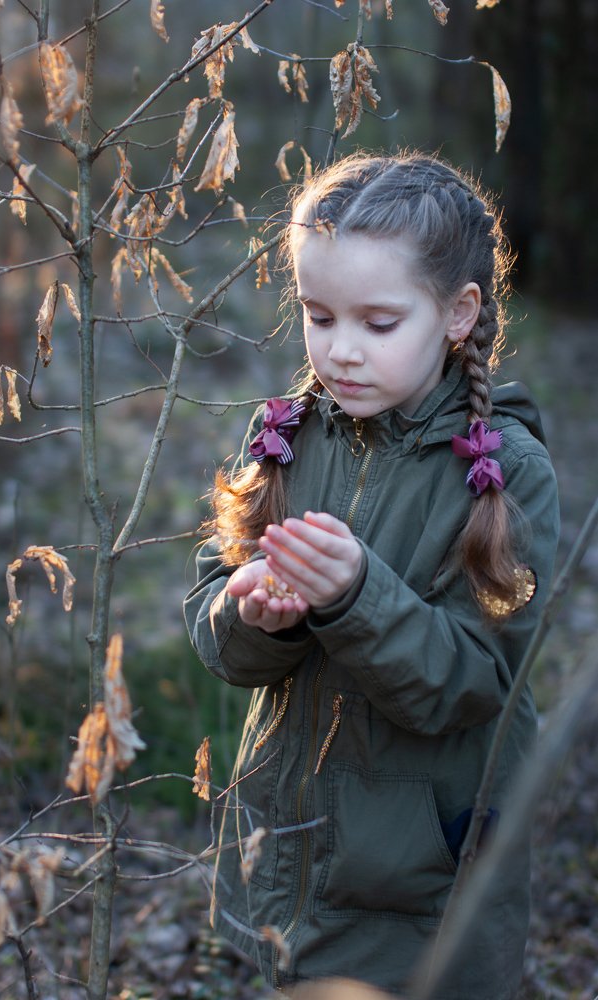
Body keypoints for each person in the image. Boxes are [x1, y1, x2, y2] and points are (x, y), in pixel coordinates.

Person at [183, 151, 559, 999]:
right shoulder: (284, 436)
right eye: (317, 316)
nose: (340, 351)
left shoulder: (505, 474)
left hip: (421, 889)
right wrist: (254, 615)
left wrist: (355, 597)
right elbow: (216, 627)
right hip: (290, 858)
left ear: (457, 313)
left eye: (377, 323)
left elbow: (471, 686)